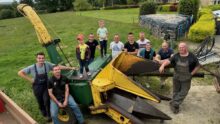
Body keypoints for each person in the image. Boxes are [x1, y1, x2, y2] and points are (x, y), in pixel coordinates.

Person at [18, 52, 75, 122]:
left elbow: (58, 67)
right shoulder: (32, 67)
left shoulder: (47, 64)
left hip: (46, 85)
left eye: (42, 58)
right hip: (37, 87)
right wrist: (30, 80)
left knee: (46, 100)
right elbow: (20, 73)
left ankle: (49, 115)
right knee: (40, 101)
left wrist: (70, 68)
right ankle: (44, 113)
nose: (41, 60)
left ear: (44, 58)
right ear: (36, 59)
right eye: (39, 58)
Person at [159, 42, 200, 114]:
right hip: (176, 77)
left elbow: (198, 66)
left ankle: (174, 103)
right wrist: (162, 65)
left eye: (182, 47)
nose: (181, 49)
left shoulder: (192, 56)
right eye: (180, 47)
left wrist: (191, 74)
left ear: (186, 48)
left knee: (184, 91)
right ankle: (176, 106)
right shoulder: (176, 55)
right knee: (176, 91)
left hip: (186, 77)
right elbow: (168, 61)